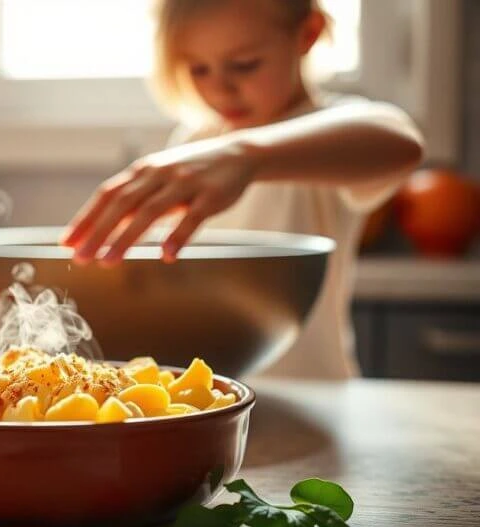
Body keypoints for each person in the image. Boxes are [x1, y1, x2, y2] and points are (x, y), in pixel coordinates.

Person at [61, 0, 423, 379]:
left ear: (307, 34)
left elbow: (400, 139)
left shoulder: (323, 132)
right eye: (199, 69)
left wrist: (244, 157)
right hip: (211, 393)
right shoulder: (194, 142)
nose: (220, 88)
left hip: (311, 391)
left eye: (244, 64)